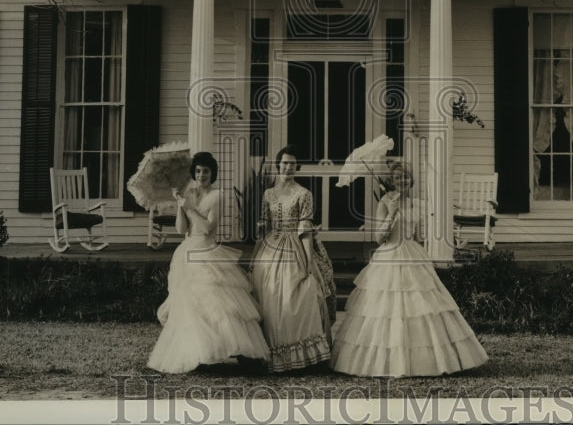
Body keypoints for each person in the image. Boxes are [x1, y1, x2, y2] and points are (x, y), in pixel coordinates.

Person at [331, 160, 489, 377]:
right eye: (397, 178)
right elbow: (379, 238)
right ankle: (386, 362)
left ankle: (427, 361)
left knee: (422, 305)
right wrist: (391, 214)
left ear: (411, 180)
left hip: (412, 254)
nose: (402, 181)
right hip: (390, 254)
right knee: (388, 310)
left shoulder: (416, 204)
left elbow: (416, 236)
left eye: (405, 177)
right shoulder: (385, 202)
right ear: (391, 181)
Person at [147, 151, 269, 374]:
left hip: (207, 249)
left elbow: (208, 227)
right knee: (190, 304)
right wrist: (180, 205)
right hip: (187, 251)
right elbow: (182, 229)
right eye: (199, 171)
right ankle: (200, 352)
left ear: (213, 174)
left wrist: (190, 207)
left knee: (217, 300)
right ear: (194, 173)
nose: (202, 175)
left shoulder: (217, 196)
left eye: (206, 171)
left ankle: (239, 351)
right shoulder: (189, 194)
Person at [250, 145, 336, 372]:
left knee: (294, 297)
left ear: (296, 167)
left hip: (294, 246)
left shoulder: (303, 194)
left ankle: (300, 356)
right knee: (268, 297)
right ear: (278, 166)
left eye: (291, 164)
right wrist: (254, 256)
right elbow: (263, 227)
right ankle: (271, 353)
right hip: (270, 248)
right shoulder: (268, 194)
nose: (288, 167)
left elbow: (305, 232)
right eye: (284, 163)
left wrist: (308, 262)